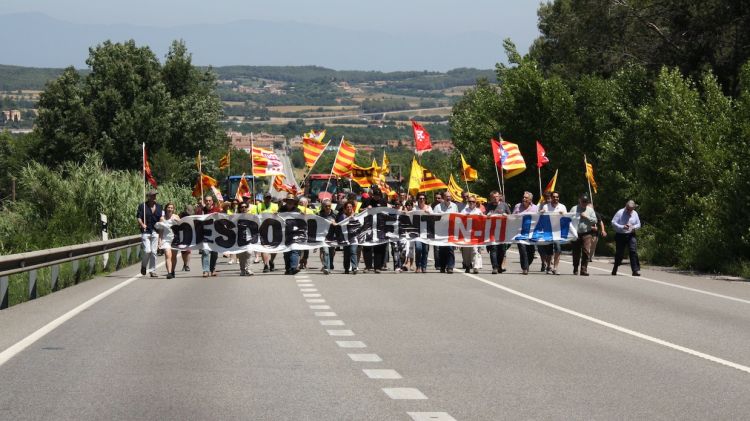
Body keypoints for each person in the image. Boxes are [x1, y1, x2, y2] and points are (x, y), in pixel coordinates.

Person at [539, 191, 568, 275]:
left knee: (558, 249)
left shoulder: (562, 207)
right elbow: (541, 217)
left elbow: (568, 218)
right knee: (549, 251)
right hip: (548, 231)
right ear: (551, 198)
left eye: (557, 197)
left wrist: (564, 214)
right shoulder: (546, 206)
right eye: (554, 197)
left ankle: (555, 268)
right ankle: (548, 266)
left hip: (558, 232)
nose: (556, 198)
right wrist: (541, 213)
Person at [611, 200, 642, 276]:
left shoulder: (635, 213)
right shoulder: (620, 212)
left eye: (631, 209)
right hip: (620, 235)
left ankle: (635, 270)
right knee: (619, 253)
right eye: (628, 209)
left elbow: (639, 224)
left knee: (633, 251)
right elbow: (613, 222)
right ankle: (615, 267)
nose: (629, 211)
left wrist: (633, 227)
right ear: (626, 206)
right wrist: (622, 227)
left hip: (631, 234)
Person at [361, 187, 388, 273]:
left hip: (380, 227)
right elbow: (360, 210)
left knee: (379, 246)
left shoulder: (383, 201)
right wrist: (366, 209)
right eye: (375, 195)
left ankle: (378, 267)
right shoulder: (367, 200)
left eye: (378, 195)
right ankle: (368, 266)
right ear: (372, 195)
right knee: (367, 246)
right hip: (369, 226)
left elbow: (386, 212)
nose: (377, 197)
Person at [137, 190, 163, 278]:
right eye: (152, 195)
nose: (154, 197)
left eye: (155, 195)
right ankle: (143, 266)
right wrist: (142, 224)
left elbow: (161, 217)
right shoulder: (143, 206)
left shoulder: (159, 206)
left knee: (154, 252)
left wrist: (161, 223)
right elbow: (139, 217)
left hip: (155, 231)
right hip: (146, 231)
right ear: (148, 196)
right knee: (147, 251)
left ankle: (153, 271)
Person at [570, 195, 597, 276]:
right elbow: (568, 218)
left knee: (586, 251)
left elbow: (595, 220)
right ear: (579, 200)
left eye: (586, 201)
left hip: (587, 233)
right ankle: (575, 268)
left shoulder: (590, 210)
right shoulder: (574, 208)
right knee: (576, 252)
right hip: (576, 233)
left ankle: (583, 270)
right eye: (583, 201)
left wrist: (587, 217)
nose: (584, 203)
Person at [485, 190, 511, 274]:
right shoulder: (489, 206)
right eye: (493, 197)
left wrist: (506, 215)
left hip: (502, 232)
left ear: (499, 197)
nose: (495, 198)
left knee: (502, 250)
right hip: (492, 232)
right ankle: (495, 267)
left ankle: (499, 266)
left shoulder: (504, 205)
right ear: (491, 198)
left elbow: (511, 216)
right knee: (493, 249)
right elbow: (485, 217)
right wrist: (487, 215)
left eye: (496, 196)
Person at [513, 191, 538, 275]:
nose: (524, 199)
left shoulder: (535, 208)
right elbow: (512, 218)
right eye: (523, 197)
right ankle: (525, 268)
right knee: (522, 250)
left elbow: (539, 219)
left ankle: (527, 265)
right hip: (520, 233)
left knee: (531, 252)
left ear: (530, 200)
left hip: (531, 234)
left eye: (526, 198)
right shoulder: (517, 206)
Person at [433, 190, 459, 273]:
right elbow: (434, 218)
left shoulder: (454, 206)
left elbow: (458, 217)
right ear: (443, 197)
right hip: (441, 232)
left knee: (450, 248)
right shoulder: (438, 207)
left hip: (451, 231)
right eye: (447, 196)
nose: (448, 198)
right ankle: (442, 266)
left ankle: (450, 266)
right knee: (442, 249)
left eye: (449, 196)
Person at [253, 192, 279, 273]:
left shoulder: (275, 206)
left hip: (274, 229)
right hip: (263, 229)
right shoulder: (259, 206)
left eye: (269, 198)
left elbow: (279, 216)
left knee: (275, 248)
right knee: (264, 247)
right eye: (266, 198)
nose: (268, 199)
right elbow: (254, 216)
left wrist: (276, 214)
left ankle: (271, 261)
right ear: (263, 199)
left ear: (271, 198)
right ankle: (266, 265)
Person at [197, 195, 221, 277]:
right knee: (205, 252)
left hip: (214, 235)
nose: (208, 202)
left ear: (212, 202)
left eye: (209, 200)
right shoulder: (201, 211)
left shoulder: (217, 210)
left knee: (214, 253)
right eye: (206, 200)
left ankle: (212, 269)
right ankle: (205, 270)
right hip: (204, 235)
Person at [460, 195, 482, 273]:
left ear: (475, 203)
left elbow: (483, 221)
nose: (471, 203)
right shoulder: (464, 211)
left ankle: (476, 267)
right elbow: (459, 220)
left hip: (475, 234)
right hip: (466, 234)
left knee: (474, 250)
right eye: (470, 201)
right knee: (466, 252)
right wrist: (464, 217)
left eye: (473, 201)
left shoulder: (478, 211)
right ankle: (467, 265)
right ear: (468, 202)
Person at [157, 202, 180, 279]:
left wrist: (177, 222)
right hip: (165, 239)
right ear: (166, 208)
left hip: (175, 239)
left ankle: (173, 271)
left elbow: (181, 227)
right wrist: (159, 241)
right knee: (168, 255)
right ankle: (169, 273)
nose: (170, 209)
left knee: (174, 257)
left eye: (171, 208)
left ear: (173, 209)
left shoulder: (176, 217)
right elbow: (160, 231)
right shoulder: (162, 218)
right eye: (168, 207)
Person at [280, 194, 301, 275]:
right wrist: (275, 215)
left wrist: (303, 216)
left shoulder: (298, 210)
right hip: (284, 234)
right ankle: (288, 268)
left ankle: (294, 267)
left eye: (291, 201)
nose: (290, 202)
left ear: (294, 202)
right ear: (286, 201)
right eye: (289, 200)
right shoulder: (281, 209)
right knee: (286, 252)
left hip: (295, 233)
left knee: (295, 250)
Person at [337, 201, 359, 274]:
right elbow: (339, 224)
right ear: (345, 209)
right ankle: (346, 268)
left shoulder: (357, 215)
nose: (349, 208)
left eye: (350, 207)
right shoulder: (343, 216)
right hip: (346, 238)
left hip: (354, 238)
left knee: (353, 252)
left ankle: (354, 268)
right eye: (347, 207)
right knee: (346, 254)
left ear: (353, 207)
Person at [413, 193, 432, 273]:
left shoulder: (429, 208)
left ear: (425, 199)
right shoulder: (415, 208)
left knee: (425, 250)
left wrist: (429, 213)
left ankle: (424, 266)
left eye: (423, 198)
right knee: (418, 248)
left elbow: (434, 218)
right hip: (417, 232)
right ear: (418, 199)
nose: (421, 200)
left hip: (426, 232)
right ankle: (418, 266)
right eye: (420, 198)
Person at [318, 198, 337, 274]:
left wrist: (335, 223)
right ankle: (326, 267)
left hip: (332, 236)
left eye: (329, 206)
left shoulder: (335, 214)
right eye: (326, 206)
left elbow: (340, 224)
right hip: (323, 236)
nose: (328, 207)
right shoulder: (319, 215)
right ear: (323, 206)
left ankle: (330, 263)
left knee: (331, 252)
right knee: (325, 252)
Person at [235, 202, 254, 276]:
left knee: (249, 252)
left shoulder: (252, 217)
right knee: (241, 256)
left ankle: (248, 269)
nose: (244, 208)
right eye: (242, 207)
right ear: (239, 208)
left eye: (245, 207)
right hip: (239, 240)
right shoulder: (236, 217)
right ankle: (242, 270)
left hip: (249, 239)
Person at [178, 204, 195, 272]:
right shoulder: (181, 215)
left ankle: (187, 265)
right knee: (183, 251)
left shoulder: (193, 216)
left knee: (188, 250)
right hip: (182, 234)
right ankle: (185, 264)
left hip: (190, 234)